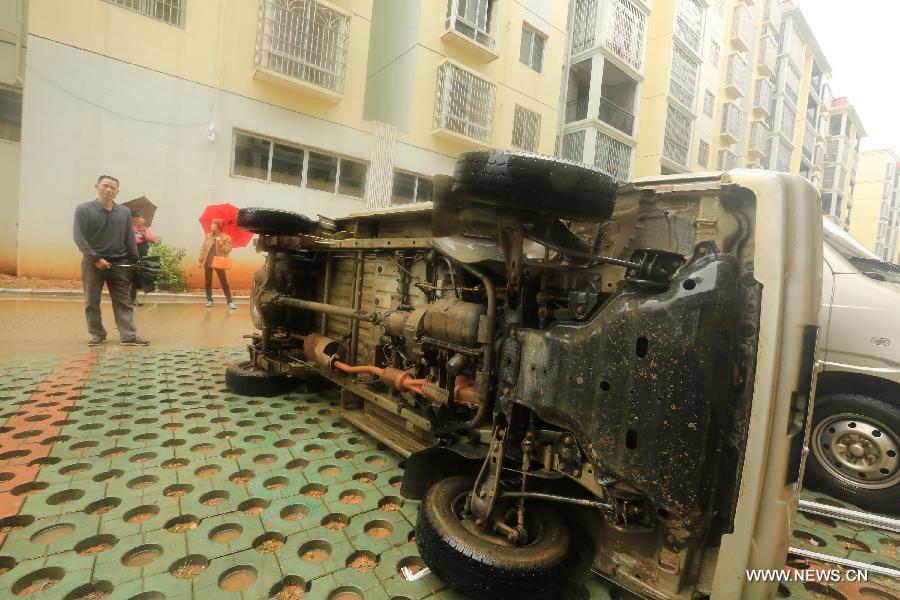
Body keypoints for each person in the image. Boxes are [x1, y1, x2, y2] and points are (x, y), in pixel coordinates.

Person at [73, 175, 150, 346]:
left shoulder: (123, 212)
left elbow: (129, 237)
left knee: (124, 301)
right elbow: (79, 237)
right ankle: (97, 334)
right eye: (105, 186)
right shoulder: (84, 209)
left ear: (117, 192)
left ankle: (129, 336)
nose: (109, 190)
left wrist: (135, 261)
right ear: (97, 187)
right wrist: (96, 258)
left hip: (120, 264)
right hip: (93, 264)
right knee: (91, 301)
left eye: (113, 188)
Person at [198, 219, 236, 309]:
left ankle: (230, 302)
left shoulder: (226, 237)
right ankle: (209, 300)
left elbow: (228, 250)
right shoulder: (208, 236)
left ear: (218, 227)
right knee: (208, 282)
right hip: (208, 261)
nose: (211, 226)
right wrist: (200, 260)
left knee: (224, 282)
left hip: (219, 262)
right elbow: (203, 249)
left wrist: (220, 242)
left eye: (213, 224)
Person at [129, 210, 157, 306]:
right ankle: (129, 299)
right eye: (141, 217)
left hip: (143, 256)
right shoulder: (129, 229)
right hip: (132, 256)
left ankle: (134, 299)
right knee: (131, 277)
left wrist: (142, 236)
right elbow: (133, 241)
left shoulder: (145, 229)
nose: (143, 219)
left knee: (138, 278)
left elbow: (153, 239)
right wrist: (144, 237)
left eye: (143, 217)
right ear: (134, 218)